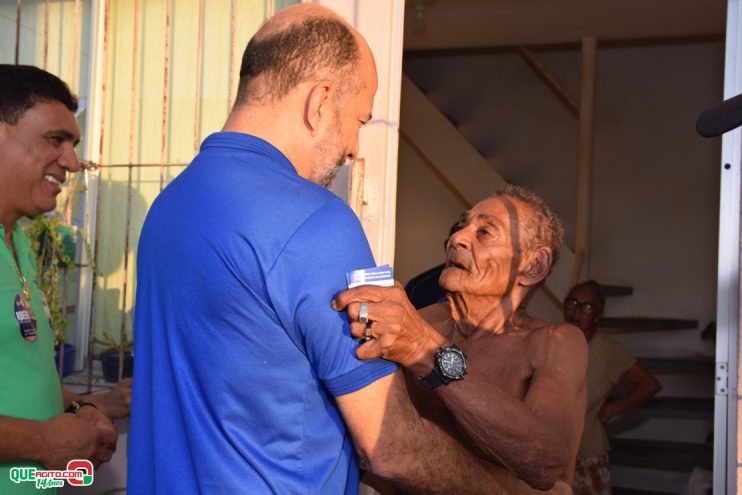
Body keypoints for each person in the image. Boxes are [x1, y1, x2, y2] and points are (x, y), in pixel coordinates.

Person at [129, 5, 549, 494]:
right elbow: (391, 447)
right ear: (321, 101)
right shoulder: (318, 221)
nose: (353, 147)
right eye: (359, 120)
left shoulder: (169, 204)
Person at [335, 185, 589, 493]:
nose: (457, 238)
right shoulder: (424, 321)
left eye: (484, 232)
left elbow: (545, 463)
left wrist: (425, 350)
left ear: (533, 266)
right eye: (460, 226)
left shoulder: (554, 342)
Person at [0, 64, 121, 494]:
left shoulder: (17, 242)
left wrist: (81, 410)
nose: (71, 162)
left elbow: (18, 378)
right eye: (55, 140)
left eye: (73, 144)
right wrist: (43, 441)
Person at [564, 280, 661, 495]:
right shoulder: (552, 339)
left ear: (598, 316)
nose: (576, 311)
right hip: (549, 452)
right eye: (572, 302)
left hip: (586, 454)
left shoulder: (607, 351)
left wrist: (612, 409)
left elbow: (649, 385)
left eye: (587, 307)